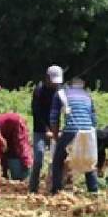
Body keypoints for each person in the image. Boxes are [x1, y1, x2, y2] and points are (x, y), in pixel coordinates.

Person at [49, 77, 99, 194]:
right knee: (88, 161)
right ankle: (93, 190)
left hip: (72, 130)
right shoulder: (87, 95)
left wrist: (56, 137)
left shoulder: (61, 94)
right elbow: (94, 119)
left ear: (68, 85)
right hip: (89, 130)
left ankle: (56, 190)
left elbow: (54, 118)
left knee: (58, 159)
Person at [29, 65, 62, 193]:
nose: (55, 84)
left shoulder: (59, 91)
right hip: (40, 130)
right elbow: (36, 112)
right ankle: (33, 188)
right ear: (47, 78)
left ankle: (55, 187)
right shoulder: (39, 91)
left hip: (55, 129)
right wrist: (46, 129)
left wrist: (58, 130)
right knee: (38, 157)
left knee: (57, 160)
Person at [0, 112, 32, 180]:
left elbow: (21, 144)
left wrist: (26, 162)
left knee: (19, 146)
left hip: (14, 123)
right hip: (8, 127)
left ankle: (25, 168)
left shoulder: (16, 124)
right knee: (7, 149)